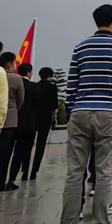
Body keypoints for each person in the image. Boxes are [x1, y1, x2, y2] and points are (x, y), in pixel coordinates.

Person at [60, 4, 112, 224]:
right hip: (109, 113)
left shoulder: (80, 47)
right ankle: (101, 219)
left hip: (80, 112)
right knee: (104, 172)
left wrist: (72, 110)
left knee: (74, 171)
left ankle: (69, 219)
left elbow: (71, 85)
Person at [7, 63, 38, 189]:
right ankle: (13, 178)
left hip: (11, 122)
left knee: (7, 151)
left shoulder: (11, 82)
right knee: (20, 153)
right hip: (27, 124)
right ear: (29, 73)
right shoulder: (34, 87)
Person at [0, 52, 25, 192]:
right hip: (10, 120)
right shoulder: (16, 79)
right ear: (9, 63)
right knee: (6, 153)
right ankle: (2, 181)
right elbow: (20, 100)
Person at [30, 66, 58, 180]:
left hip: (33, 118)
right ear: (50, 76)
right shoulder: (52, 87)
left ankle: (25, 169)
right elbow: (55, 105)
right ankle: (34, 171)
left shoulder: (35, 86)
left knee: (28, 144)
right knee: (40, 146)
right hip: (45, 120)